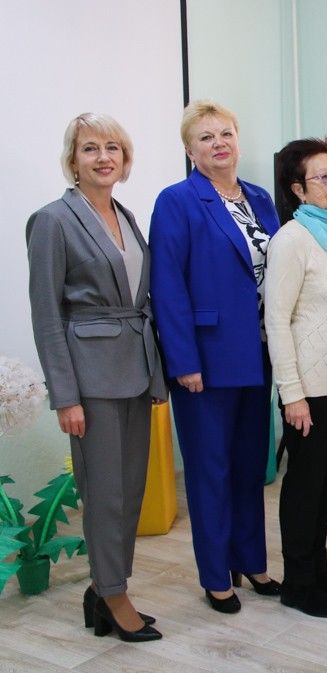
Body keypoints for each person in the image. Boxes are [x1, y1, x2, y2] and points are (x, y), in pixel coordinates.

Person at [26, 113, 166, 641]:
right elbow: (47, 316)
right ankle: (114, 594)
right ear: (73, 159)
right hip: (90, 379)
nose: (103, 157)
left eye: (113, 147)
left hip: (135, 371)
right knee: (105, 494)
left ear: (124, 158)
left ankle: (105, 588)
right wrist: (65, 396)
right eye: (90, 148)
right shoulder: (52, 221)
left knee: (129, 492)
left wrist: (156, 373)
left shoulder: (125, 216)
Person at [150, 100, 281, 613]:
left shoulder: (260, 197)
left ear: (238, 140)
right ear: (190, 150)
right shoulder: (177, 201)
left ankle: (251, 560)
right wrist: (184, 361)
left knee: (251, 468)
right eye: (205, 137)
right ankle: (215, 576)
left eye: (225, 133)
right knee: (210, 473)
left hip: (259, 354)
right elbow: (167, 286)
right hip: (206, 360)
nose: (218, 143)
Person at [265, 138, 327, 618]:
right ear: (298, 189)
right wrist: (292, 395)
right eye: (322, 177)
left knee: (324, 484)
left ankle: (317, 571)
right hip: (307, 390)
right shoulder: (291, 240)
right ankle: (297, 583)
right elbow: (276, 320)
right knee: (304, 487)